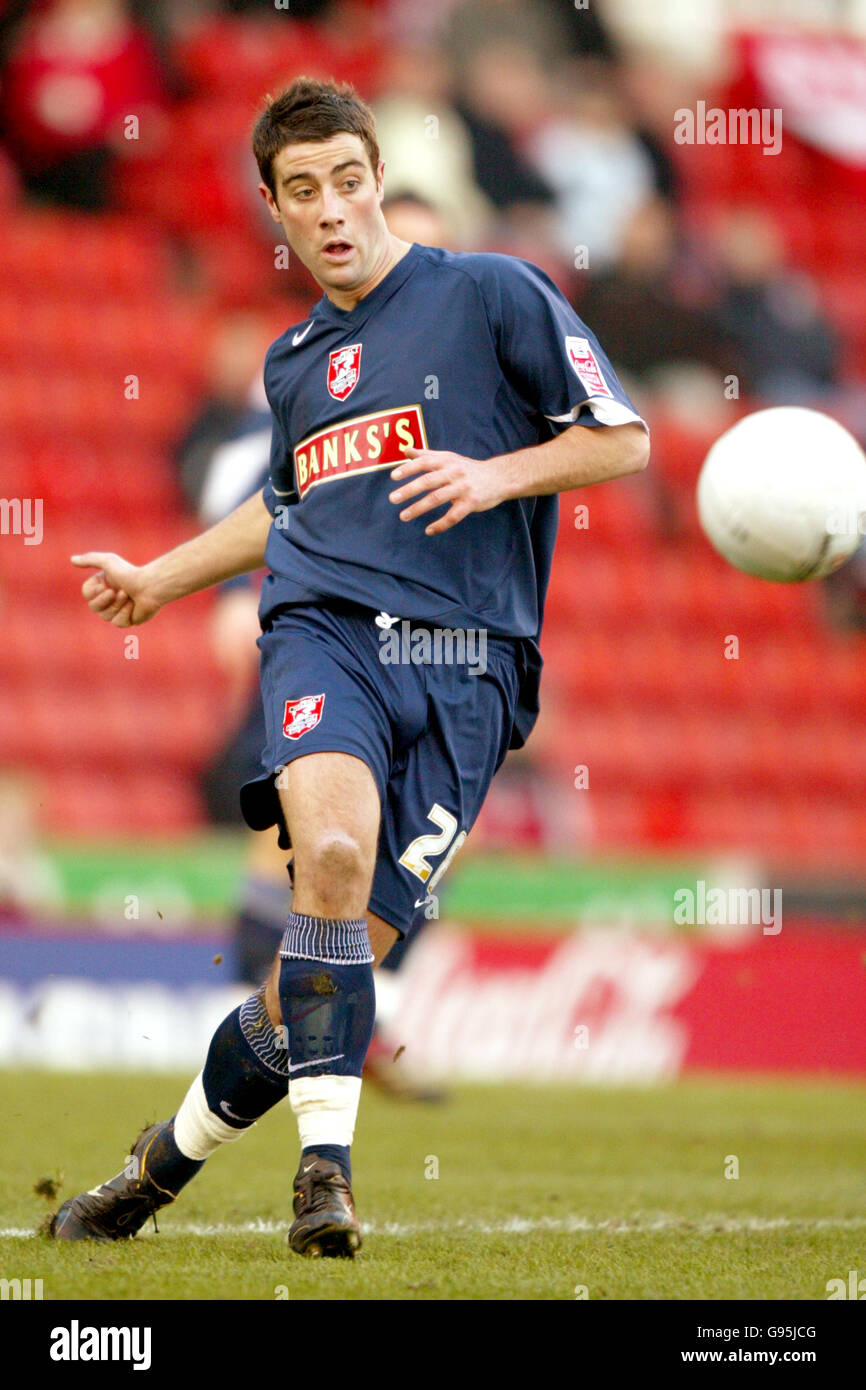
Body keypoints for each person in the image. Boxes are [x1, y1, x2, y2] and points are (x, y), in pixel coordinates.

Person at [50, 76, 649, 1259]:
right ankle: (324, 1176)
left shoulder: (488, 294)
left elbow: (620, 438)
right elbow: (290, 512)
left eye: (347, 181)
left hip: (471, 675)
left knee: (309, 988)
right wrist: (165, 577)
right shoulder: (290, 365)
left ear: (377, 178)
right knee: (324, 853)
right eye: (300, 192)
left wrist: (494, 475)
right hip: (326, 638)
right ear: (275, 211)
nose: (329, 210)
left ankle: (153, 1166)